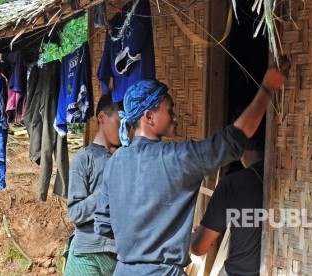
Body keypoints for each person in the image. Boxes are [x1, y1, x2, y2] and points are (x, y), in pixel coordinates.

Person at [94, 57, 290, 276]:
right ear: (149, 117)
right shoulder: (176, 158)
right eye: (170, 110)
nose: (175, 117)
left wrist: (140, 238)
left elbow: (102, 224)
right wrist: (267, 89)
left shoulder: (115, 163)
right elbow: (233, 140)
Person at [190, 130, 265, 276]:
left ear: (240, 146)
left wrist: (191, 236)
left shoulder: (234, 184)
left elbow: (198, 248)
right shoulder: (287, 184)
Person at [64, 94, 121, 276]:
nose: (125, 130)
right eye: (120, 124)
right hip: (87, 253)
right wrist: (106, 193)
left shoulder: (127, 160)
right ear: (102, 118)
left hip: (120, 255)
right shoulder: (84, 160)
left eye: (128, 126)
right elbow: (76, 213)